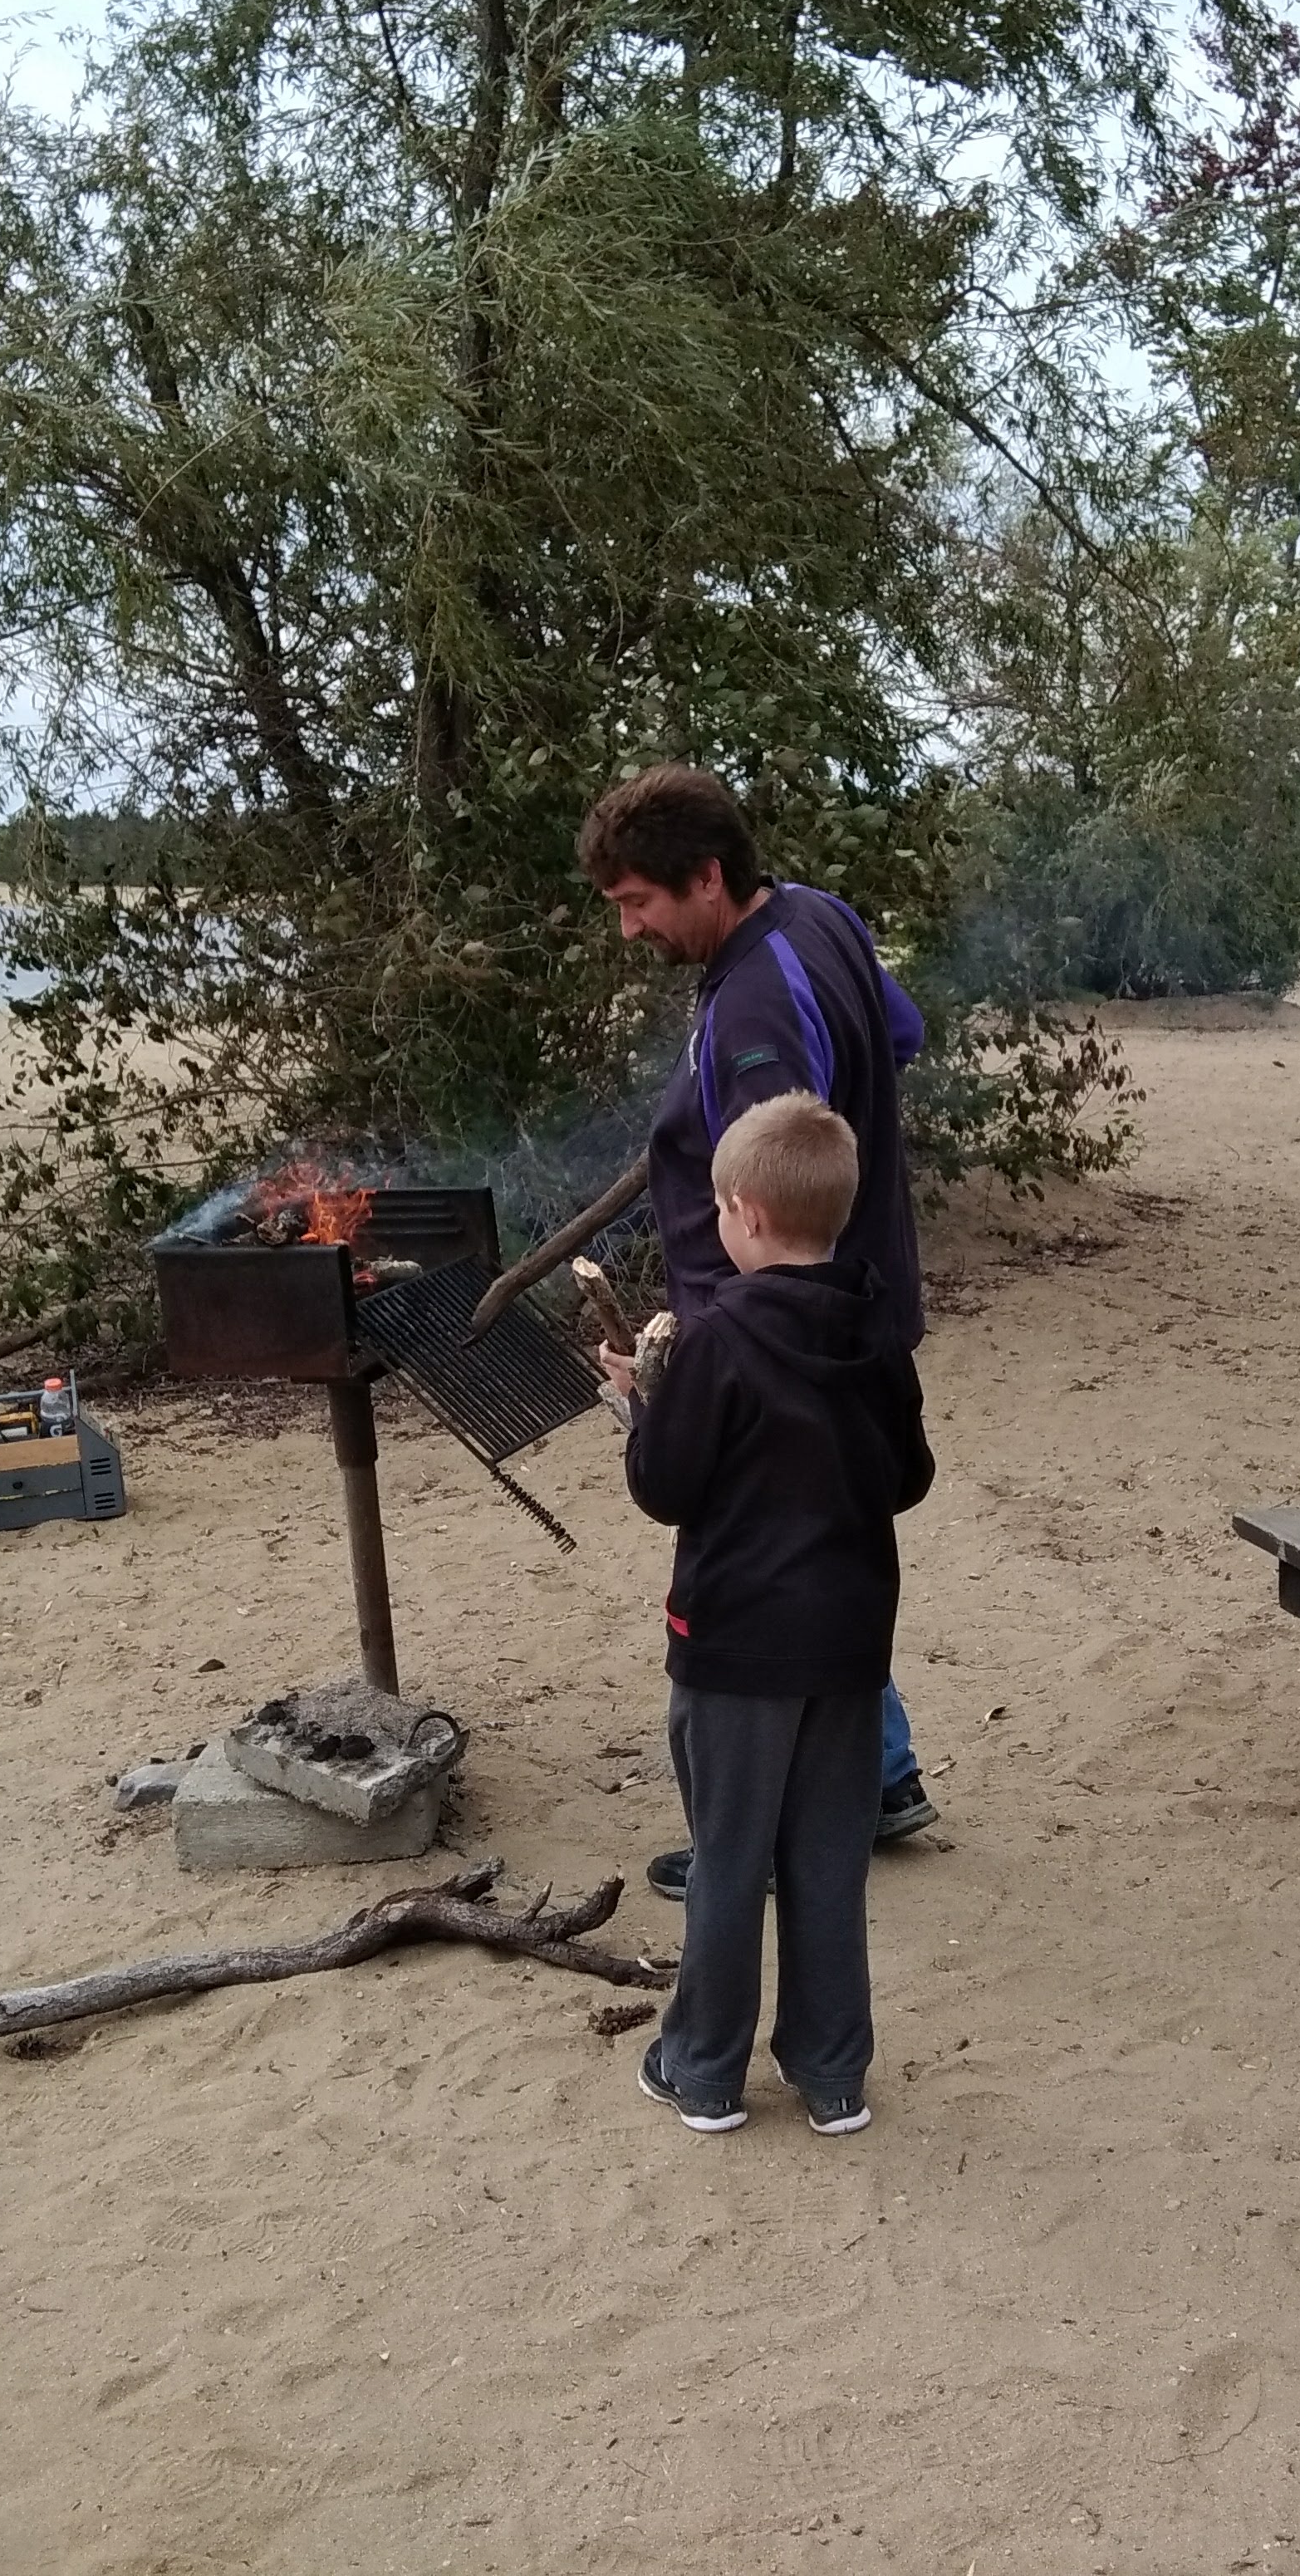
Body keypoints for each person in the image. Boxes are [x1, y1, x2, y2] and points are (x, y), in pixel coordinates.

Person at [578, 764, 940, 1886]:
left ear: (707, 876)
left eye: (639, 902)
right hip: (844, 1313)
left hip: (776, 1340)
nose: (630, 928)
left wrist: (711, 1343)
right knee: (820, 1543)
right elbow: (901, 1032)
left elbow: (772, 1194)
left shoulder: (754, 1011)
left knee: (761, 1570)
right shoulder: (817, 915)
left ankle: (776, 1830)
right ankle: (880, 1776)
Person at [619, 1092, 934, 2136]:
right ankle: (831, 2073)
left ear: (746, 1214)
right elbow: (908, 1477)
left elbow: (666, 1487)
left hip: (735, 1646)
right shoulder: (878, 1332)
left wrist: (643, 1409)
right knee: (826, 1862)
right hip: (847, 1643)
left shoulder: (716, 1343)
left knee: (727, 1858)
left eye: (717, 1208)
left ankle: (702, 2069)